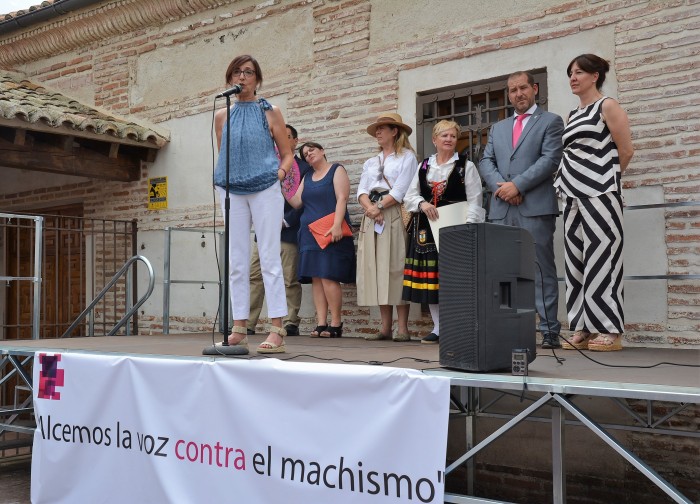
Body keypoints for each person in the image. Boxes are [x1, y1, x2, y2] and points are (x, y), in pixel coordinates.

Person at [479, 71, 565, 349]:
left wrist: (518, 185)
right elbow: (486, 161)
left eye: (523, 88)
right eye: (513, 90)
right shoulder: (498, 127)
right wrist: (501, 188)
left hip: (535, 209)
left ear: (534, 89)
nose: (518, 94)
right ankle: (509, 327)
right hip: (501, 209)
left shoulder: (551, 121)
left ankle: (549, 329)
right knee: (503, 272)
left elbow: (550, 159)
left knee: (540, 269)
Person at [213, 54, 293, 354]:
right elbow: (225, 153)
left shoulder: (270, 110)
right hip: (231, 189)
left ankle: (276, 328)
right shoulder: (222, 115)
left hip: (264, 187)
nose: (242, 77)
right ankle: (239, 327)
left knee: (270, 258)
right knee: (236, 260)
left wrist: (280, 174)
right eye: (237, 72)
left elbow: (286, 152)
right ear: (229, 78)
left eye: (248, 72)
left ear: (257, 79)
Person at [554, 54, 633, 352]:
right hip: (571, 195)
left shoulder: (607, 105)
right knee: (575, 260)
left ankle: (609, 329)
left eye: (579, 72)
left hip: (601, 193)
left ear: (595, 75)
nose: (573, 78)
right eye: (570, 73)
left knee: (604, 258)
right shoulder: (573, 115)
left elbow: (625, 150)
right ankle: (582, 326)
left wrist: (604, 180)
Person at [402, 120, 485, 344]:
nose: (449, 139)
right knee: (432, 281)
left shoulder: (465, 167)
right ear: (434, 140)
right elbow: (409, 196)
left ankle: (457, 326)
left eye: (453, 136)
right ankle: (439, 327)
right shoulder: (423, 167)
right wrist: (423, 204)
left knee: (454, 280)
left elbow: (475, 201)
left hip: (455, 229)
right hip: (426, 232)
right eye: (444, 135)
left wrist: (467, 229)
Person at [357, 113, 418, 342]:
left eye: (383, 128)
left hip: (391, 212)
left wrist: (379, 206)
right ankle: (385, 327)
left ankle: (402, 328)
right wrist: (370, 209)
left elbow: (402, 189)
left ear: (394, 131)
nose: (378, 132)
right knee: (376, 269)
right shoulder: (371, 162)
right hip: (372, 214)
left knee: (395, 267)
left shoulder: (407, 157)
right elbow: (361, 190)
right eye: (377, 129)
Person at [286, 142, 355, 338]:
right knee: (316, 278)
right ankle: (321, 322)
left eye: (312, 151)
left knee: (328, 276)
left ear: (322, 150)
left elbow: (342, 198)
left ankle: (336, 323)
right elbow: (297, 202)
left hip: (330, 232)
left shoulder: (336, 170)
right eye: (305, 154)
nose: (308, 155)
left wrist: (336, 225)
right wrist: (285, 186)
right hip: (309, 233)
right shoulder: (307, 177)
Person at [247, 125, 311, 336]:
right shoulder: (265, 166)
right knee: (255, 276)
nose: (280, 140)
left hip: (288, 230)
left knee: (288, 278)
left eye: (286, 136)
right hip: (264, 230)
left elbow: (305, 201)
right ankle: (248, 322)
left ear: (295, 141)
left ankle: (291, 322)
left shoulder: (304, 168)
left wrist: (285, 221)